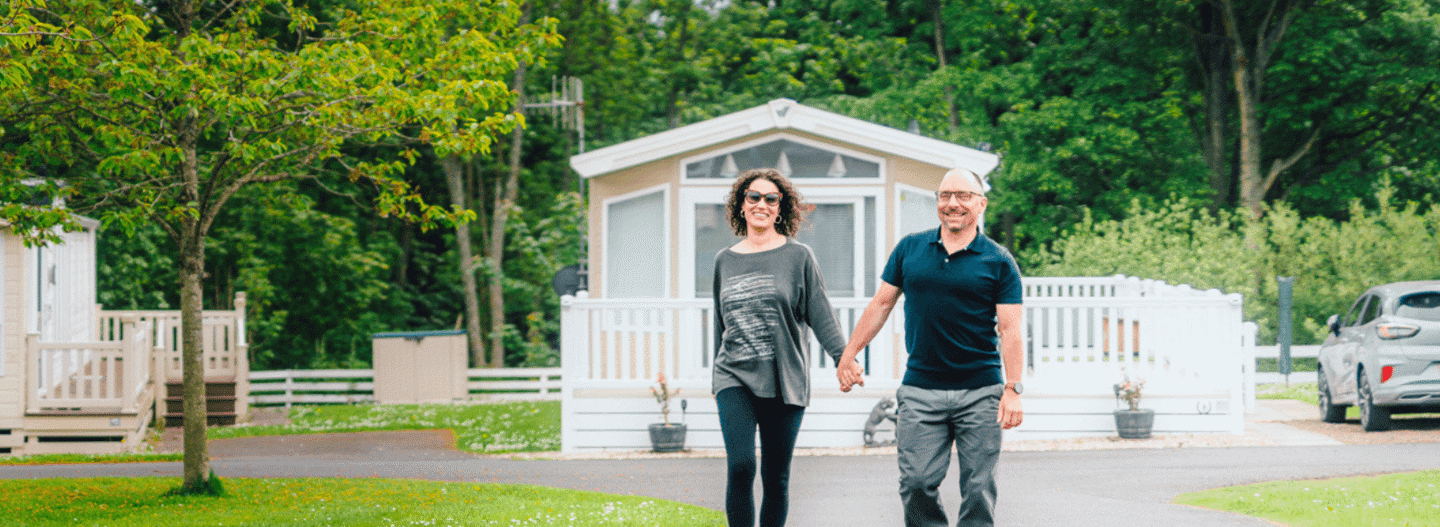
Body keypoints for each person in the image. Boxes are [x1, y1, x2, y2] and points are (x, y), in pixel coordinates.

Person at [836, 167, 1024, 527]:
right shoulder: (910, 248)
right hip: (920, 389)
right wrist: (849, 353)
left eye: (963, 195)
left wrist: (1012, 389)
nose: (952, 203)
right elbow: (881, 304)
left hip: (981, 391)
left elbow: (1010, 329)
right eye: (945, 195)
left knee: (979, 489)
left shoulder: (999, 261)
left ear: (981, 204)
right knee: (916, 483)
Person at [712, 168, 847, 527]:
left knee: (776, 478)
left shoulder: (798, 256)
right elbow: (720, 324)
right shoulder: (724, 259)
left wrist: (843, 358)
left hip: (784, 378)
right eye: (754, 197)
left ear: (780, 208)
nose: (762, 204)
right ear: (741, 205)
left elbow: (820, 312)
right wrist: (716, 376)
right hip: (734, 376)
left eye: (771, 198)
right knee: (741, 466)